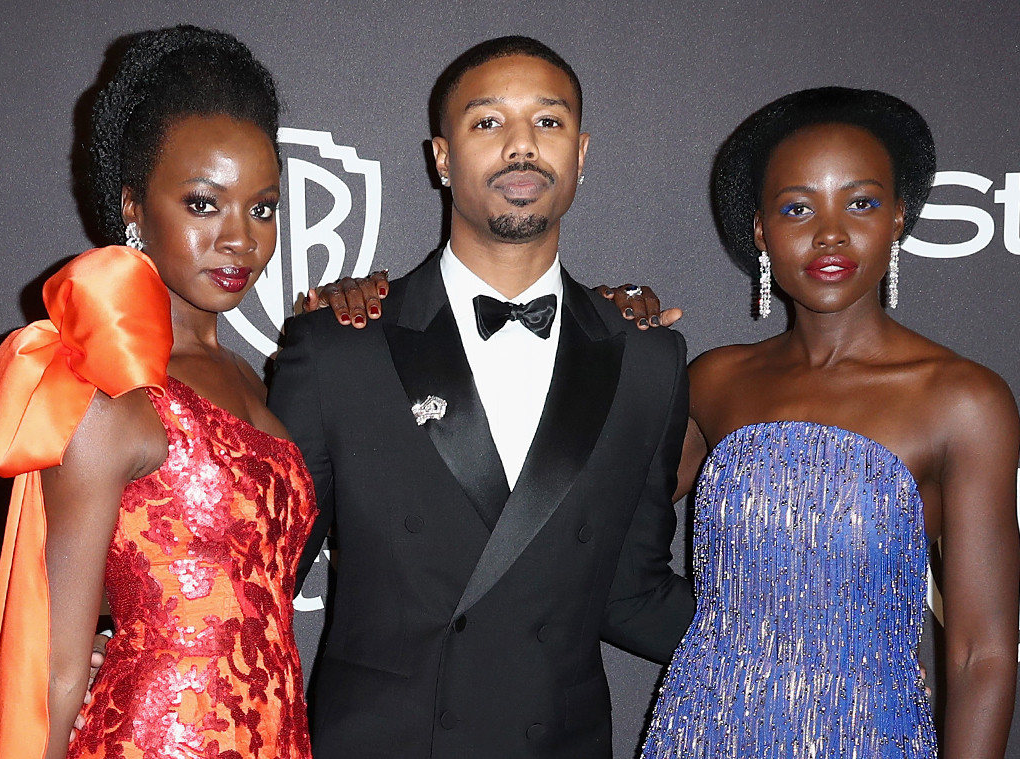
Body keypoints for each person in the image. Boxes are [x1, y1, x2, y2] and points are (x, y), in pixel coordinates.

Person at [268, 36, 695, 758]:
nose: (521, 147)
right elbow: (263, 577)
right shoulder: (340, 347)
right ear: (442, 158)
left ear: (582, 156)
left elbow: (630, 591)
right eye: (489, 122)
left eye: (549, 123)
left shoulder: (648, 359)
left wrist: (789, 647)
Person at [639, 87, 1019, 757]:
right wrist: (603, 332)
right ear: (761, 230)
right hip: (703, 732)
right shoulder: (714, 380)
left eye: (862, 202)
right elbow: (592, 525)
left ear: (899, 216)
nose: (831, 232)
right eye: (797, 207)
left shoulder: (964, 400)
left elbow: (979, 652)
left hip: (870, 738)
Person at [0, 26, 314, 759]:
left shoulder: (248, 377)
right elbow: (54, 671)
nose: (241, 239)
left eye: (262, 207)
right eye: (205, 204)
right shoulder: (105, 389)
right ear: (133, 207)